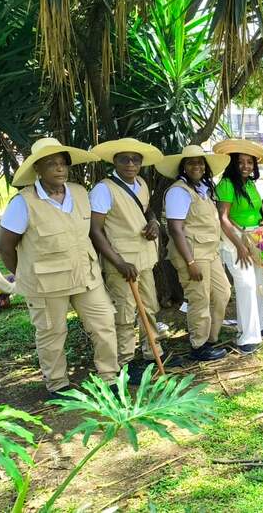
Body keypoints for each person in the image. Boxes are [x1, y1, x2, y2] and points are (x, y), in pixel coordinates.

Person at [0, 138, 118, 395]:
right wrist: (25, 275)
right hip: (46, 283)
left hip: (86, 275)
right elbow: (5, 247)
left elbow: (90, 232)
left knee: (104, 323)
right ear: (37, 168)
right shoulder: (24, 202)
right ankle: (58, 385)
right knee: (52, 334)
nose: (60, 168)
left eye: (63, 163)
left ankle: (109, 378)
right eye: (51, 163)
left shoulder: (80, 192)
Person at [88, 138, 167, 377]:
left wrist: (153, 222)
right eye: (124, 159)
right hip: (121, 262)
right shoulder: (104, 189)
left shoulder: (141, 183)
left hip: (144, 257)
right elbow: (95, 230)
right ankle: (126, 361)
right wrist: (118, 262)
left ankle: (153, 351)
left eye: (135, 160)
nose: (130, 164)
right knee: (124, 312)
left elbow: (146, 210)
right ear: (114, 161)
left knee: (149, 306)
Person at [160, 145, 232, 362]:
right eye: (191, 162)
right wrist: (190, 262)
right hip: (192, 253)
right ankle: (198, 346)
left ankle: (210, 338)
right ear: (183, 166)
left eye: (200, 162)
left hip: (209, 251)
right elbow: (175, 229)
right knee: (199, 298)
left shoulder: (203, 188)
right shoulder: (178, 191)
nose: (196, 166)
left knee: (222, 293)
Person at [212, 139, 263, 354]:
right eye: (240, 162)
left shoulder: (249, 184)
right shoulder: (227, 184)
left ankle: (259, 326)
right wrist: (239, 245)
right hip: (236, 240)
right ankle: (247, 336)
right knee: (246, 286)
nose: (246, 166)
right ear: (232, 164)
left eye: (249, 162)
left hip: (257, 237)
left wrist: (262, 227)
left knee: (258, 284)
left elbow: (256, 211)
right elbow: (223, 218)